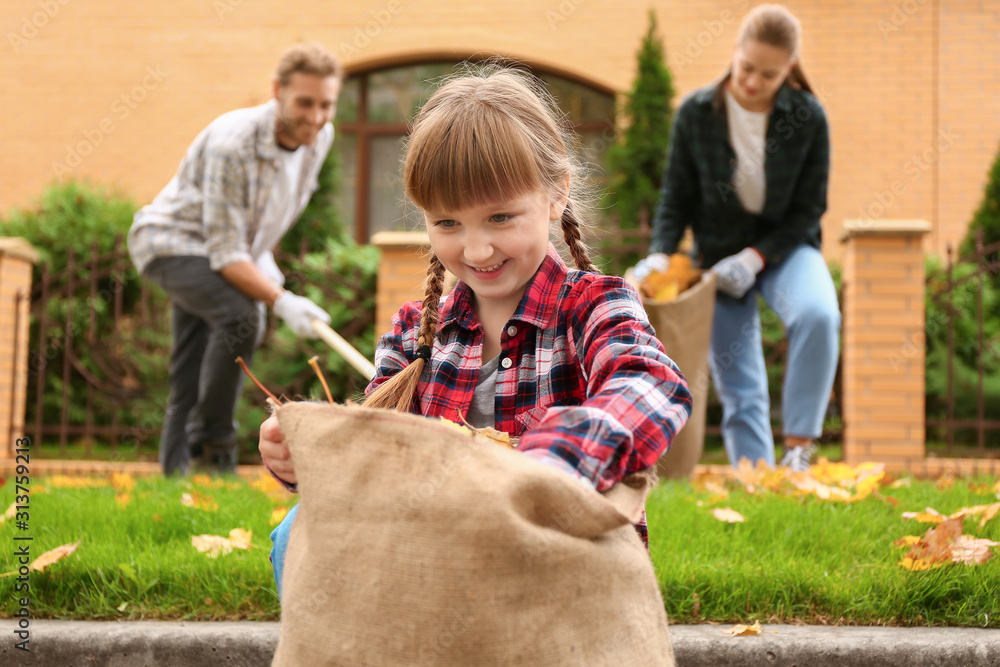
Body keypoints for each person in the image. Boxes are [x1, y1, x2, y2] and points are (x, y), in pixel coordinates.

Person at [259, 65, 693, 598]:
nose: (477, 250)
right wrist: (308, 459)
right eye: (447, 224)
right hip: (438, 570)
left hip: (555, 571)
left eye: (501, 218)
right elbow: (376, 459)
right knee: (295, 529)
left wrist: (551, 465)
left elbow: (651, 385)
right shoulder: (416, 333)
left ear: (557, 194)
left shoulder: (594, 307)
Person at [633, 4, 839, 472]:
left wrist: (756, 257)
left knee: (819, 315)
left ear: (788, 70)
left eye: (767, 75)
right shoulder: (695, 114)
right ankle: (757, 477)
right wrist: (661, 256)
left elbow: (810, 208)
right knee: (739, 374)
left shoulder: (808, 118)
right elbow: (675, 199)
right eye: (747, 68)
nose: (751, 82)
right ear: (735, 53)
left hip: (785, 248)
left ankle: (799, 452)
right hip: (715, 259)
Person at [127, 43, 340, 475]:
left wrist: (266, 267)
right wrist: (280, 299)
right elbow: (225, 254)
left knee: (191, 358)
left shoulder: (320, 138)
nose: (315, 116)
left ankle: (175, 472)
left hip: (225, 249)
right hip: (171, 244)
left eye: (325, 104)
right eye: (304, 102)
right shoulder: (233, 143)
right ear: (277, 90)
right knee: (242, 315)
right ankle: (216, 449)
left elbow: (259, 226)